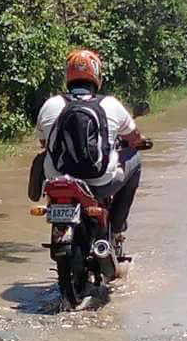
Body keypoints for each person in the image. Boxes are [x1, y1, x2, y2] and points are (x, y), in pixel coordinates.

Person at [34, 49, 147, 239]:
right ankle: (117, 225)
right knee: (135, 159)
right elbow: (134, 140)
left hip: (57, 180)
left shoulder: (50, 105)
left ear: (67, 76)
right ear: (97, 76)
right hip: (100, 181)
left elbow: (44, 142)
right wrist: (140, 142)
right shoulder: (110, 104)